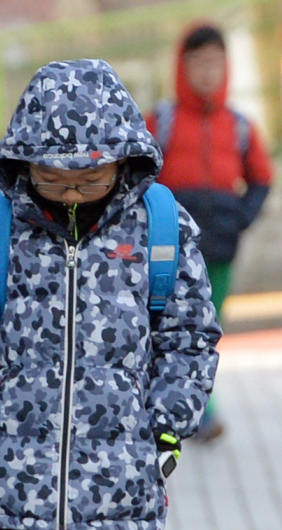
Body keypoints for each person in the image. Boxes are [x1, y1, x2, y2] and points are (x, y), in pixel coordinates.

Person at [0, 58, 222, 530]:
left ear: (122, 163)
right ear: (24, 164)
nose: (69, 194)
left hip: (123, 498)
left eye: (88, 180)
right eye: (51, 178)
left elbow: (189, 336)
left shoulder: (161, 229)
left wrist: (165, 427)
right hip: (14, 494)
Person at [145, 23, 273, 441]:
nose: (207, 72)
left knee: (205, 329)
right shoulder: (159, 123)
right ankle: (186, 410)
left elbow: (261, 180)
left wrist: (239, 219)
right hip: (169, 251)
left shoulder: (239, 127)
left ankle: (200, 411)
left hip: (218, 249)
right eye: (198, 62)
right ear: (182, 67)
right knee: (160, 326)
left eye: (215, 62)